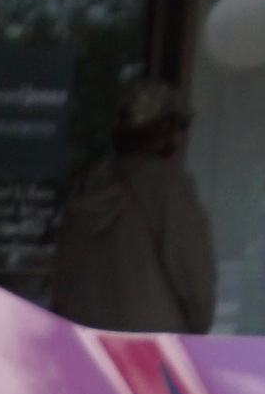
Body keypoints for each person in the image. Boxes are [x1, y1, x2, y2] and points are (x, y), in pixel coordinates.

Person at [53, 78, 217, 333]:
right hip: (147, 349)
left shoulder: (88, 184)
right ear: (165, 130)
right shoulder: (169, 188)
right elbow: (197, 287)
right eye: (179, 127)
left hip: (85, 343)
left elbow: (61, 281)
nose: (181, 136)